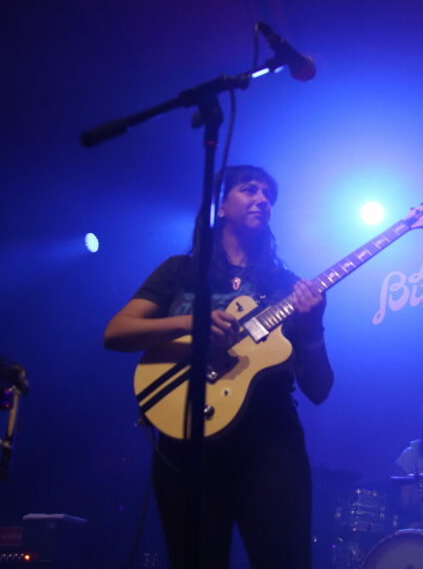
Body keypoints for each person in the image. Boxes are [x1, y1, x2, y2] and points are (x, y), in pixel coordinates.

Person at [103, 165, 332, 569]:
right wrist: (190, 323)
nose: (263, 199)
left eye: (268, 195)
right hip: (188, 440)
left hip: (270, 442)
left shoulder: (286, 286)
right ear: (221, 206)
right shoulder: (180, 271)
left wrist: (314, 328)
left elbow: (318, 390)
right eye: (250, 190)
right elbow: (116, 332)